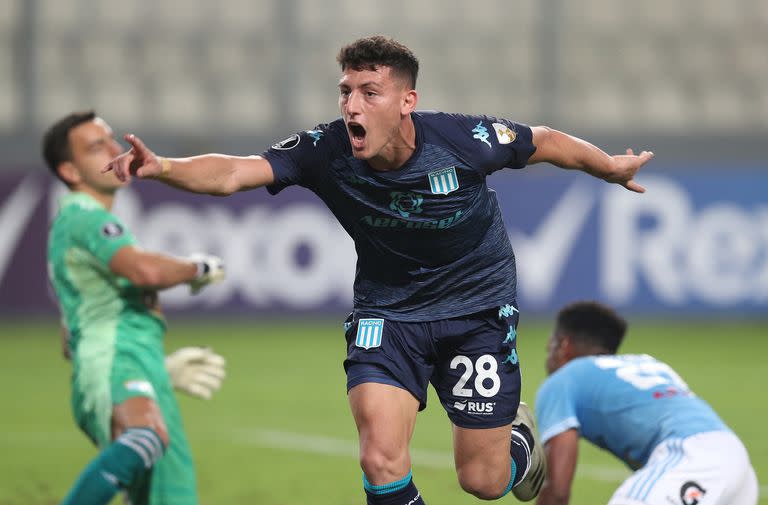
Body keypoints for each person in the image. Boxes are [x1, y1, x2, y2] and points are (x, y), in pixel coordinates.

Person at [104, 35, 653, 504]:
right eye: (346, 91)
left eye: (370, 92)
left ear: (406, 101)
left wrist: (609, 168)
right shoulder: (324, 148)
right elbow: (233, 172)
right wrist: (163, 167)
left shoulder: (463, 140)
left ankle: (519, 442)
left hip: (478, 309)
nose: (352, 106)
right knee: (379, 458)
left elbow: (546, 140)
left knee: (483, 481)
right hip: (387, 314)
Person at [44, 111, 227, 505]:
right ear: (69, 170)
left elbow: (68, 339)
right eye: (96, 147)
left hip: (134, 364)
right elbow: (143, 270)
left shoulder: (76, 227)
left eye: (112, 140)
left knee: (171, 496)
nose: (115, 151)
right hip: (118, 361)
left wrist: (157, 371)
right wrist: (198, 267)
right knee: (145, 437)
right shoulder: (84, 217)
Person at [535, 301, 758, 505]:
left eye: (549, 349)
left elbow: (557, 490)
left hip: (689, 457)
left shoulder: (561, 380)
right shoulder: (650, 363)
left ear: (563, 345)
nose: (548, 358)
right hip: (737, 464)